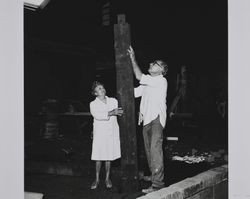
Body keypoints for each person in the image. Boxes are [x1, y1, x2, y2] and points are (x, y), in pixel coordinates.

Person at [128, 46, 168, 193]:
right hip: (146, 120)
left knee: (155, 150)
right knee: (149, 152)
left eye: (155, 63)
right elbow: (134, 92)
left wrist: (132, 58)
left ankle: (158, 185)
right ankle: (154, 177)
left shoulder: (161, 80)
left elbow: (139, 76)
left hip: (156, 119)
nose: (151, 63)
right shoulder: (148, 82)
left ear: (161, 70)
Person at [89, 81, 123, 190]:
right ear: (95, 93)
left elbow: (120, 111)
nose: (102, 90)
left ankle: (107, 178)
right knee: (98, 157)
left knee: (109, 156)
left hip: (111, 132)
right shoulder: (93, 104)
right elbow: (97, 115)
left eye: (103, 88)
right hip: (100, 133)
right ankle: (97, 179)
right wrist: (111, 112)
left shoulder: (113, 101)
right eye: (99, 89)